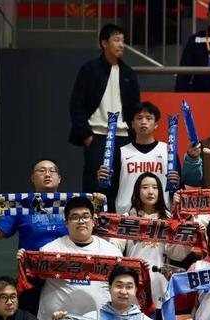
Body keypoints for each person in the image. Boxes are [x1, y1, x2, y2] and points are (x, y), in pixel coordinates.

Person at [0, 159, 105, 315]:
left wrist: (97, 204)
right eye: (42, 171)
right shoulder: (20, 205)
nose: (47, 174)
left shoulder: (74, 206)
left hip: (66, 273)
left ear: (59, 178)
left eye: (52, 171)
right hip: (31, 274)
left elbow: (94, 227)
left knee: (65, 316)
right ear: (32, 178)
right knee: (29, 318)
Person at [18, 196, 123, 320]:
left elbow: (122, 288)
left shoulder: (112, 252)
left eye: (85, 216)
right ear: (66, 223)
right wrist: (25, 262)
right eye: (75, 217)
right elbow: (30, 284)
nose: (81, 221)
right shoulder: (49, 250)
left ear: (94, 220)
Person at [109, 172, 190, 320]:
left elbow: (177, 254)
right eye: (145, 187)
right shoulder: (128, 218)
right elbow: (114, 248)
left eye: (155, 187)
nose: (150, 192)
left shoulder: (169, 219)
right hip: (134, 288)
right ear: (137, 191)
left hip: (161, 286)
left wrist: (188, 237)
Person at [69, 23, 140, 193]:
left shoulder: (128, 73)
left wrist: (133, 136)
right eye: (116, 40)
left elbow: (135, 108)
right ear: (104, 43)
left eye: (123, 41)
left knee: (122, 186)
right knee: (94, 186)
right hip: (97, 135)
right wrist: (86, 135)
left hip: (123, 137)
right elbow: (76, 104)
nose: (121, 45)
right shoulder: (90, 69)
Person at [97, 101, 178, 213]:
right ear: (132, 124)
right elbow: (111, 187)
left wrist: (177, 183)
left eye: (149, 118)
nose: (144, 122)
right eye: (139, 118)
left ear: (156, 124)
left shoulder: (168, 151)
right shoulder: (121, 152)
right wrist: (102, 179)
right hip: (125, 213)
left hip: (161, 214)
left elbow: (177, 186)